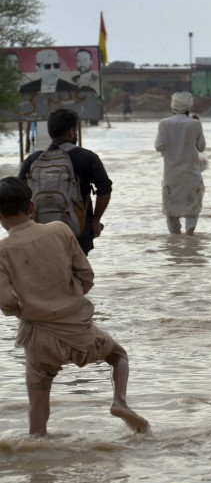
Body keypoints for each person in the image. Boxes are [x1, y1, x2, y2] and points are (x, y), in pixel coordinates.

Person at [0, 177, 149, 436]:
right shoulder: (59, 230)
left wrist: (29, 310)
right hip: (79, 331)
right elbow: (86, 276)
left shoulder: (3, 250)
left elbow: (7, 303)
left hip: (38, 337)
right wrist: (69, 301)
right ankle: (119, 402)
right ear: (32, 207)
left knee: (37, 408)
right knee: (118, 356)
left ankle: (39, 460)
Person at [19, 108, 112, 256]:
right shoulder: (88, 157)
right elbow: (105, 189)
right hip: (79, 231)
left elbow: (19, 192)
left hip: (40, 231)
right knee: (78, 274)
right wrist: (95, 221)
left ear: (50, 132)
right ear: (71, 132)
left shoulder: (33, 159)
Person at [155, 92, 206, 235]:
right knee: (192, 209)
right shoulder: (195, 124)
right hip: (192, 174)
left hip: (171, 175)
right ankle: (190, 236)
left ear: (173, 107)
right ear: (189, 107)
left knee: (171, 211)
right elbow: (201, 147)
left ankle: (175, 241)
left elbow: (158, 146)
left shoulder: (164, 124)